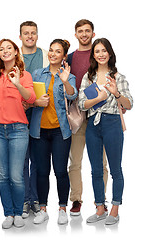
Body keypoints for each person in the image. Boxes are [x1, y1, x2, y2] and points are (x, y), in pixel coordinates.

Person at [78, 38, 133, 225]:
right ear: (93, 55)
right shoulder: (88, 77)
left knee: (115, 169)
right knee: (95, 169)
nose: (101, 54)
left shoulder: (119, 77)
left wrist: (116, 93)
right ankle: (100, 208)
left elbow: (129, 104)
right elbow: (81, 104)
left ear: (109, 53)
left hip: (112, 123)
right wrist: (98, 98)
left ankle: (115, 210)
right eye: (97, 51)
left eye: (104, 51)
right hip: (93, 123)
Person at [29, 39, 78, 225]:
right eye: (51, 50)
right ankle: (42, 209)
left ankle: (62, 208)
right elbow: (30, 99)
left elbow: (72, 95)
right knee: (42, 171)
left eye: (58, 51)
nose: (53, 54)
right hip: (39, 131)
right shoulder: (37, 74)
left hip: (60, 132)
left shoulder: (68, 75)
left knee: (60, 171)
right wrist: (35, 101)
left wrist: (65, 81)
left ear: (64, 56)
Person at [0, 39, 36, 229]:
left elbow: (31, 98)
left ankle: (18, 212)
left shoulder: (24, 75)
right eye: (1, 49)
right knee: (2, 176)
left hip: (18, 130)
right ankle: (8, 213)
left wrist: (17, 83)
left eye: (9, 48)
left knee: (16, 175)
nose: (5, 51)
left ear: (16, 51)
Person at [67, 19, 108, 216]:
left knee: (101, 162)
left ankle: (101, 200)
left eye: (87, 31)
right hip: (77, 116)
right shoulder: (69, 58)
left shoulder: (100, 55)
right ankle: (76, 199)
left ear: (93, 33)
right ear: (75, 34)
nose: (84, 34)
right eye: (80, 31)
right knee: (75, 161)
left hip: (99, 116)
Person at [19, 21, 49, 218]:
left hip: (40, 116)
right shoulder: (13, 55)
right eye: (26, 33)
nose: (30, 36)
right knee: (21, 160)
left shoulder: (45, 55)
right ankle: (24, 200)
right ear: (20, 36)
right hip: (18, 117)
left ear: (37, 35)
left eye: (33, 33)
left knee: (37, 161)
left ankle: (35, 200)